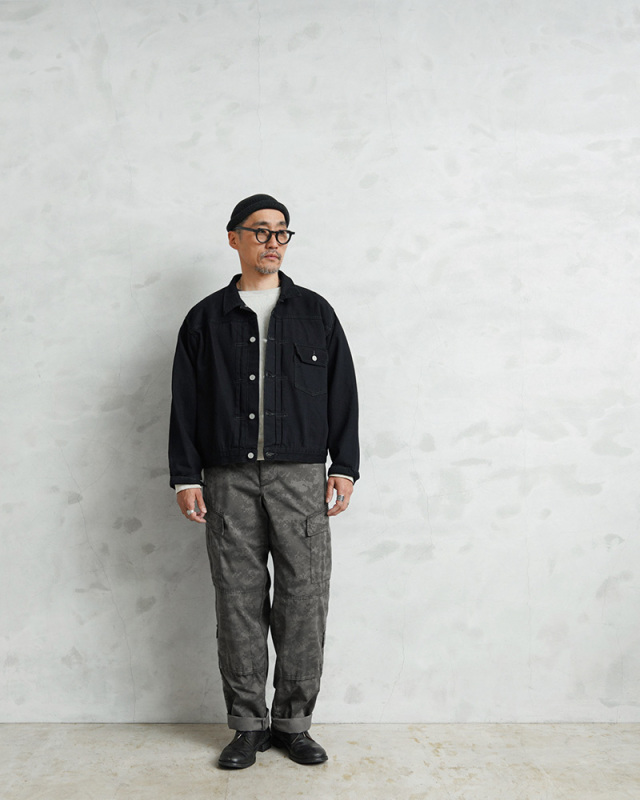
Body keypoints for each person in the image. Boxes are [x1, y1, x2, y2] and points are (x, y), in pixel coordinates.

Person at [168, 194, 359, 769]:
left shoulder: (315, 313)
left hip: (301, 478)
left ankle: (294, 725)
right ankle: (248, 726)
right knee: (238, 601)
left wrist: (344, 466)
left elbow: (342, 392)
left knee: (304, 600)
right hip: (227, 478)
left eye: (282, 233)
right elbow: (185, 401)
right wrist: (185, 476)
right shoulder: (206, 318)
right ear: (234, 238)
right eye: (261, 231)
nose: (273, 242)